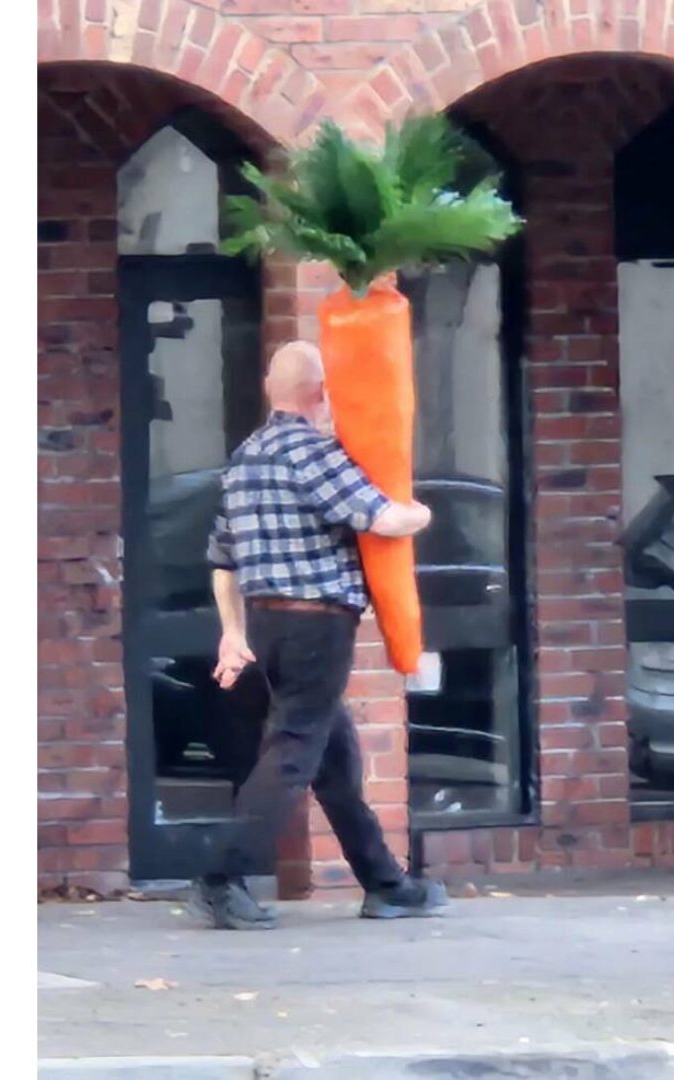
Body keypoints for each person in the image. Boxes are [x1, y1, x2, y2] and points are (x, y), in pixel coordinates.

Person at [190, 340, 445, 930]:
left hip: (267, 623)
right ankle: (220, 878)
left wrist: (232, 633)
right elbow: (383, 517)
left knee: (335, 762)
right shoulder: (316, 453)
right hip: (317, 624)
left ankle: (386, 884)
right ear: (322, 394)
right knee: (293, 754)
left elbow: (222, 558)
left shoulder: (245, 457)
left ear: (269, 389)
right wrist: (423, 513)